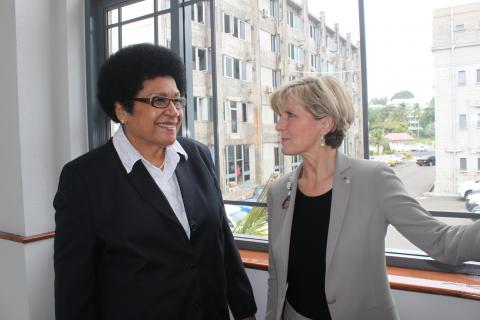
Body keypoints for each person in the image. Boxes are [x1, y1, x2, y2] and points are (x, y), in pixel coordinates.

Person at [53, 43, 257, 320]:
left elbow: (221, 240)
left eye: (177, 100)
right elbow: (74, 289)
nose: (173, 111)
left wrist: (245, 311)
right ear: (122, 111)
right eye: (158, 101)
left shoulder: (198, 155)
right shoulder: (85, 179)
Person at [265, 76, 480, 320]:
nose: (279, 125)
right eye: (279, 115)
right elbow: (276, 274)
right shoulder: (280, 191)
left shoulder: (374, 180)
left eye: (289, 115)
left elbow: (443, 243)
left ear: (324, 123)